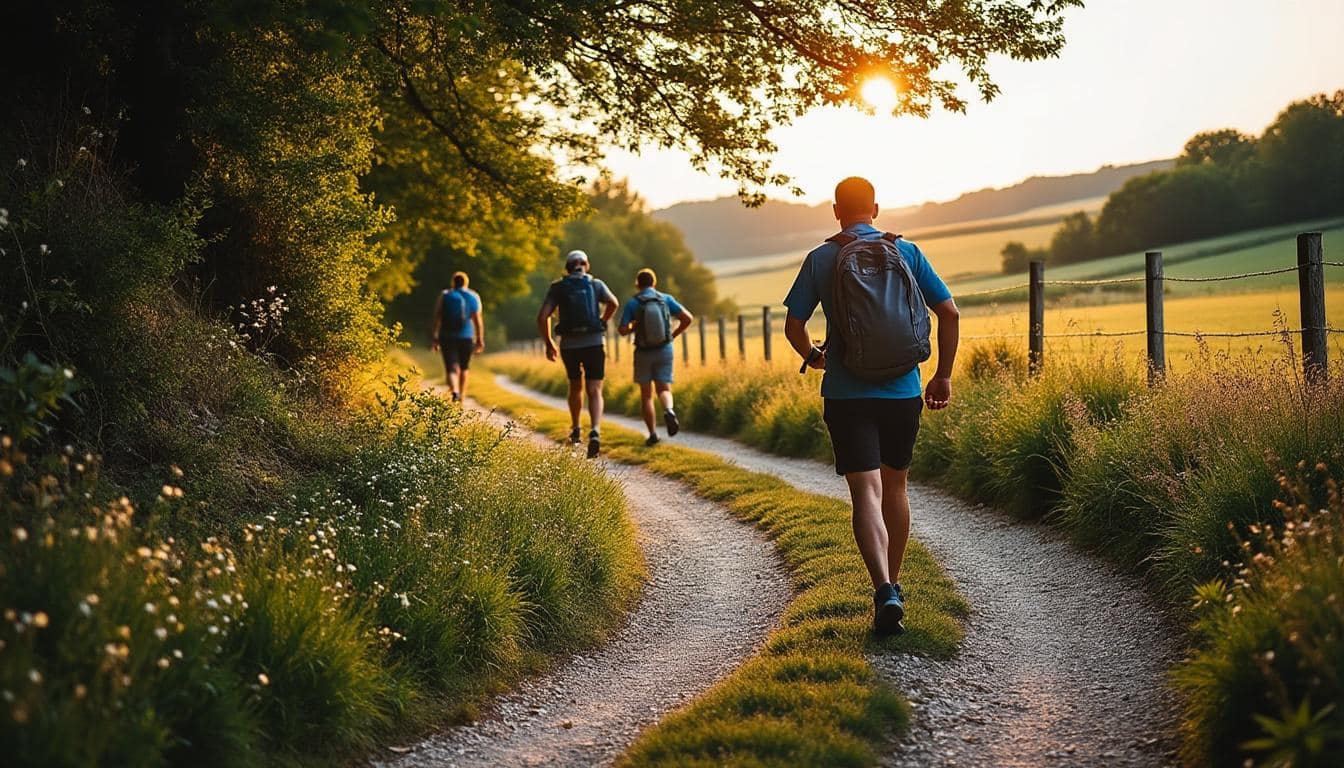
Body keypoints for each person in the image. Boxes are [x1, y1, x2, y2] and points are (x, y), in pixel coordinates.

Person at [783, 176, 959, 637]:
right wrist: (942, 375)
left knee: (866, 492)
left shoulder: (821, 258)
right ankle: (895, 585)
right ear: (876, 209)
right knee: (895, 488)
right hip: (903, 391)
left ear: (836, 211)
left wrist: (814, 357)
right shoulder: (908, 252)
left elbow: (794, 325)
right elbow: (950, 313)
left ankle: (882, 589)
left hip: (847, 392)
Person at [537, 250, 620, 458]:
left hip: (569, 346)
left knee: (575, 386)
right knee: (595, 389)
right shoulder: (596, 284)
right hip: (594, 343)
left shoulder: (558, 288)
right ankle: (595, 430)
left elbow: (542, 316)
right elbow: (614, 303)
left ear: (567, 267)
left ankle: (575, 429)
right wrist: (602, 321)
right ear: (586, 265)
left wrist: (548, 343)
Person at [617, 268, 693, 446]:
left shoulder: (633, 303)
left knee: (646, 396)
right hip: (664, 349)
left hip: (643, 352)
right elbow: (687, 318)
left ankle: (652, 434)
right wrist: (672, 336)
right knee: (664, 388)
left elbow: (622, 330)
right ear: (654, 283)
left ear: (637, 284)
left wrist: (633, 327)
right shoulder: (665, 299)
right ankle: (668, 410)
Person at [431, 271, 484, 402]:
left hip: (446, 335)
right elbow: (477, 320)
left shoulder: (445, 295)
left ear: (453, 282)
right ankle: (461, 397)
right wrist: (479, 339)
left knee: (451, 366)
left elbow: (437, 317)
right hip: (466, 336)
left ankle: (454, 390)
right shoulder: (473, 296)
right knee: (464, 367)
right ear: (466, 282)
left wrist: (434, 337)